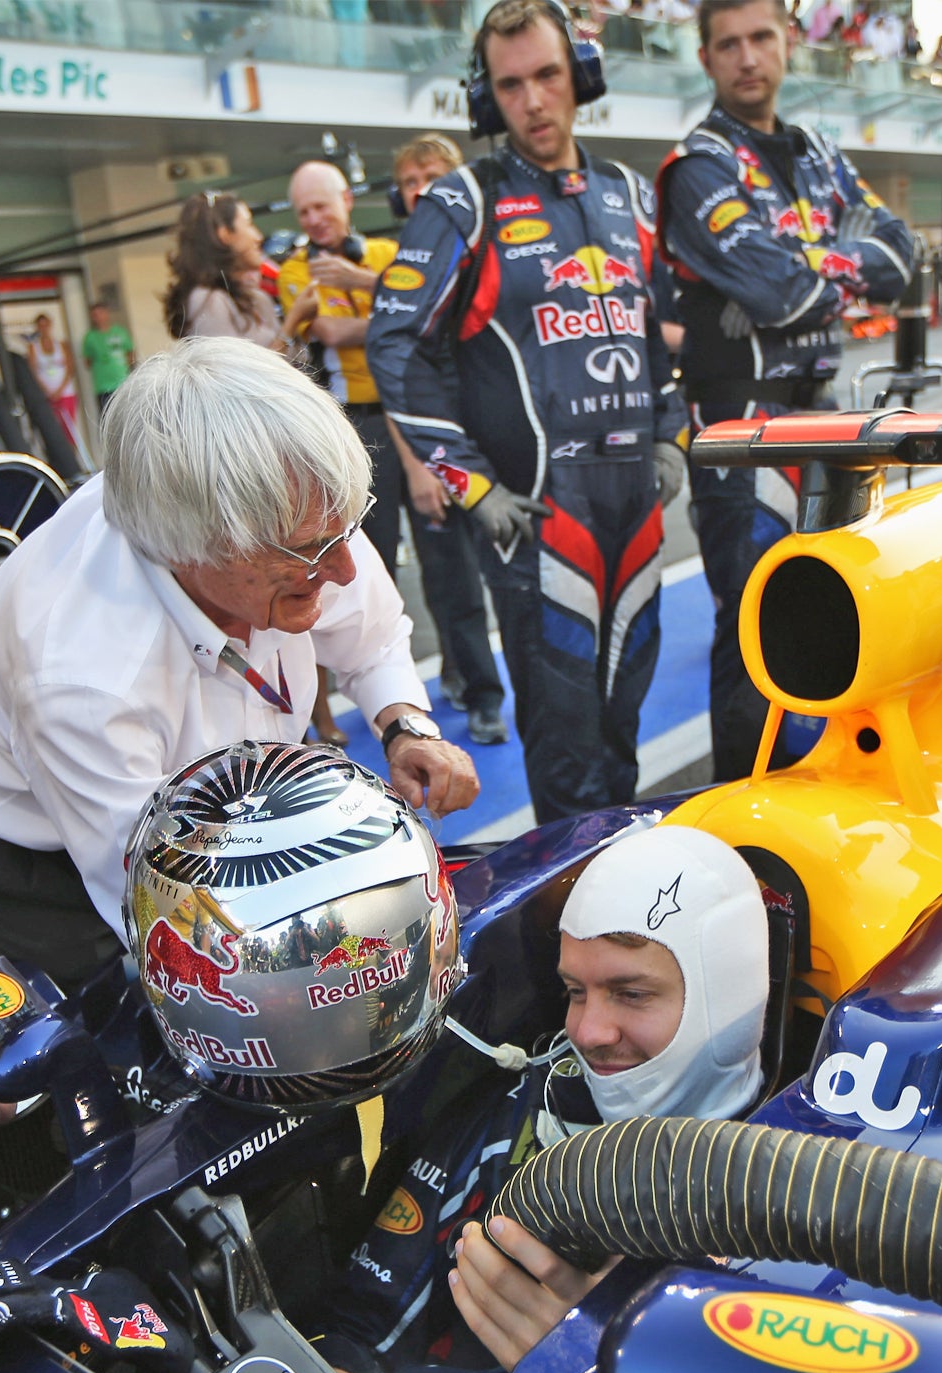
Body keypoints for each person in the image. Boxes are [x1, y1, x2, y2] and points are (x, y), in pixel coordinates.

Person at [0, 339, 480, 991]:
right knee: (114, 1013)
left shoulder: (301, 514)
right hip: (28, 836)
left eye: (347, 530)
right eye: (310, 552)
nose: (344, 570)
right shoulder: (83, 676)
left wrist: (406, 725)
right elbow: (160, 903)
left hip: (221, 771)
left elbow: (373, 636)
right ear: (195, 549)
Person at [317, 823, 770, 1373]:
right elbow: (356, 1326)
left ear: (725, 995)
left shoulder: (799, 1194)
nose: (587, 1032)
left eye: (630, 993)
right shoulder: (530, 1106)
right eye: (576, 992)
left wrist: (595, 1371)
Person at [368, 0, 689, 825]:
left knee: (622, 726)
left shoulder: (626, 194)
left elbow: (654, 325)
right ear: (488, 98)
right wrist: (470, 485)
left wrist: (669, 431)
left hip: (635, 506)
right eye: (511, 85)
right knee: (566, 743)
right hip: (537, 518)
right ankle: (568, 924)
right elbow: (395, 346)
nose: (534, 100)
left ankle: (620, 896)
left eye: (548, 76)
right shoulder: (461, 203)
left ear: (579, 75)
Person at [658, 0, 914, 783]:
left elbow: (900, 261)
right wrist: (836, 264)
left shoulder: (819, 154)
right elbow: (776, 291)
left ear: (788, 43)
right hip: (742, 430)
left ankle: (817, 793)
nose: (746, 58)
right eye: (727, 44)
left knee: (828, 619)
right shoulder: (697, 166)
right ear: (705, 58)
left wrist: (809, 269)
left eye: (761, 38)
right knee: (755, 633)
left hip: (824, 422)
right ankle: (744, 813)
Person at [384, 133, 507, 746]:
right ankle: (485, 697)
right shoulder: (400, 266)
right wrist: (418, 466)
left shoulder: (492, 253)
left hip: (504, 451)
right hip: (436, 456)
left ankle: (475, 677)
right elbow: (397, 377)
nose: (423, 189)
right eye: (411, 180)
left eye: (435, 176)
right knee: (453, 585)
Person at [277, 161, 407, 579]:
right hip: (357, 424)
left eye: (321, 206)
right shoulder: (297, 270)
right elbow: (330, 331)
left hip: (411, 410)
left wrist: (363, 283)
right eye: (303, 212)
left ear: (347, 200)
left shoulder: (386, 254)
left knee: (448, 553)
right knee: (376, 552)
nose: (313, 220)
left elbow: (428, 319)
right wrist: (395, 316)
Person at [163, 192, 299, 351]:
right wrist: (293, 322)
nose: (258, 237)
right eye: (248, 224)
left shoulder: (256, 297)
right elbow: (234, 372)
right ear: (225, 234)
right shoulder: (208, 300)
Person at [27, 312, 80, 444]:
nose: (43, 328)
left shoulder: (61, 345)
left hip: (65, 392)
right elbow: (33, 371)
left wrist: (60, 390)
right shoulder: (34, 347)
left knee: (69, 430)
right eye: (40, 326)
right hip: (47, 395)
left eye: (46, 325)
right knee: (53, 431)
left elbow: (70, 369)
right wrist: (46, 391)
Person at [81, 300, 136, 415]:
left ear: (107, 313)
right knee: (108, 418)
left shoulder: (120, 332)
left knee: (127, 415)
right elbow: (87, 361)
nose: (98, 317)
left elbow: (130, 352)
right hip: (103, 387)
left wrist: (127, 368)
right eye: (95, 315)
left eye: (100, 313)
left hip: (123, 383)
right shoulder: (90, 337)